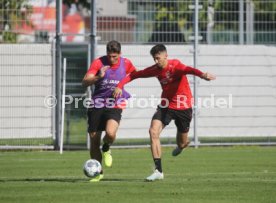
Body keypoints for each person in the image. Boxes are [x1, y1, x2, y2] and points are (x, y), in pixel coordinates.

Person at [113, 44, 216, 181]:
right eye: (154, 59)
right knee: (153, 131)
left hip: (183, 107)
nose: (156, 61)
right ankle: (158, 170)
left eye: (158, 58)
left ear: (165, 55)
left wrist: (202, 75)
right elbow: (135, 75)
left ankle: (182, 146)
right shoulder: (155, 69)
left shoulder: (175, 66)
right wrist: (119, 85)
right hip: (166, 106)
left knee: (182, 142)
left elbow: (189, 69)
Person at [82, 40, 136, 182]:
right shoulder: (98, 63)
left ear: (120, 54)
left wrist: (121, 85)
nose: (112, 59)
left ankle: (106, 147)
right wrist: (98, 76)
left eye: (115, 57)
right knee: (94, 141)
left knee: (111, 133)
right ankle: (98, 173)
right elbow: (85, 82)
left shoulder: (126, 63)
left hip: (115, 103)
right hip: (97, 104)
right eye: (109, 56)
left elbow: (134, 74)